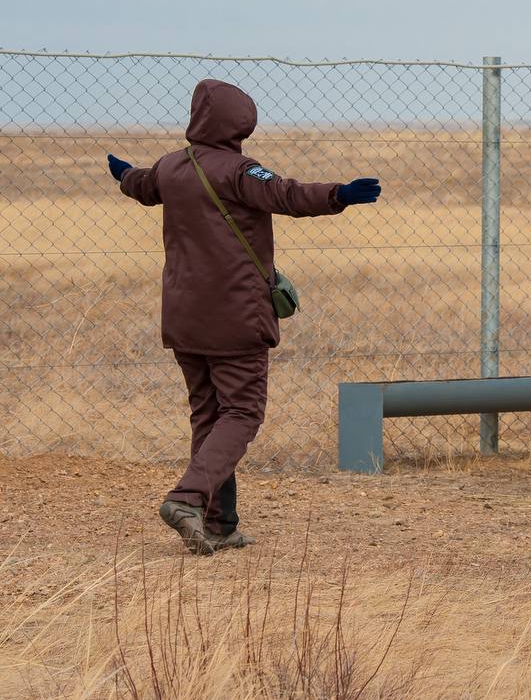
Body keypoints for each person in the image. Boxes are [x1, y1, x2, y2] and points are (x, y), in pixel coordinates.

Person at [108, 79, 382, 554]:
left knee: (209, 415)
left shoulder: (173, 166)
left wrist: (124, 173)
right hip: (235, 317)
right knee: (243, 411)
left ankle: (219, 524)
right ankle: (187, 500)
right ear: (241, 122)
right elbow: (289, 196)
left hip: (183, 318)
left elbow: (142, 186)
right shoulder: (240, 170)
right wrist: (339, 193)